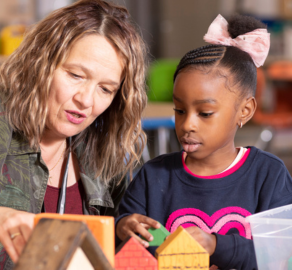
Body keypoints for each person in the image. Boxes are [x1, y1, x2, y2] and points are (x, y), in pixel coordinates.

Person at [0, 0, 148, 268]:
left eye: (106, 89)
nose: (86, 100)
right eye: (76, 75)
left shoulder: (106, 150)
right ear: (41, 61)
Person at [115, 14, 292, 270]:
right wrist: (123, 228)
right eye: (179, 110)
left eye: (205, 113)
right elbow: (123, 253)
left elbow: (282, 256)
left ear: (245, 111)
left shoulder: (268, 175)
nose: (188, 124)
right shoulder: (152, 177)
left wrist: (215, 245)